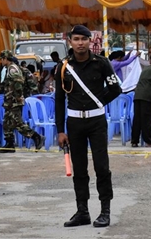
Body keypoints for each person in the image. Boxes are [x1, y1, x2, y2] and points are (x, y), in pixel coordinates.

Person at [56, 25, 121, 229]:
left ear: (90, 41)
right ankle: (82, 211)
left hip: (96, 122)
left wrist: (99, 102)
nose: (80, 43)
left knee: (102, 167)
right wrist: (60, 130)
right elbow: (59, 100)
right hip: (74, 123)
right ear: (70, 42)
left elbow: (115, 89)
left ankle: (105, 211)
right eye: (76, 39)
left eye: (84, 39)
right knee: (80, 169)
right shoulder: (63, 66)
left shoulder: (101, 63)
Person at [0, 50, 43, 153]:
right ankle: (9, 144)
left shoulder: (13, 69)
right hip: (9, 101)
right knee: (6, 123)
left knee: (18, 124)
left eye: (1, 59)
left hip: (14, 101)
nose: (1, 61)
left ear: (6, 59)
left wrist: (18, 96)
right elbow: (4, 84)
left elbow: (19, 82)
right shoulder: (8, 69)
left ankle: (36, 137)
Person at [131, 52, 151, 148]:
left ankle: (134, 141)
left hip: (138, 95)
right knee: (147, 119)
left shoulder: (145, 69)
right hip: (147, 95)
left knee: (137, 119)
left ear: (149, 61)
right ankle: (149, 142)